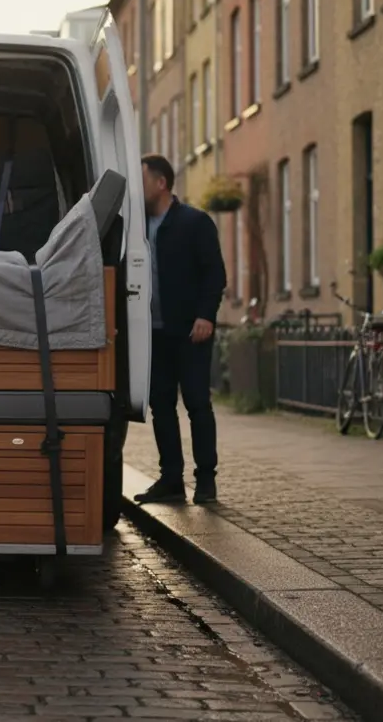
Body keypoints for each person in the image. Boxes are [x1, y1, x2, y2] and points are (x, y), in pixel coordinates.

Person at [134, 154, 227, 505]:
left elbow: (214, 274)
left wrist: (206, 315)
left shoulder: (194, 222)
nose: (138, 186)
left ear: (161, 183)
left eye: (142, 179)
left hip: (191, 332)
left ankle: (206, 481)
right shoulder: (137, 228)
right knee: (161, 405)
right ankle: (171, 479)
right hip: (154, 333)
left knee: (197, 405)